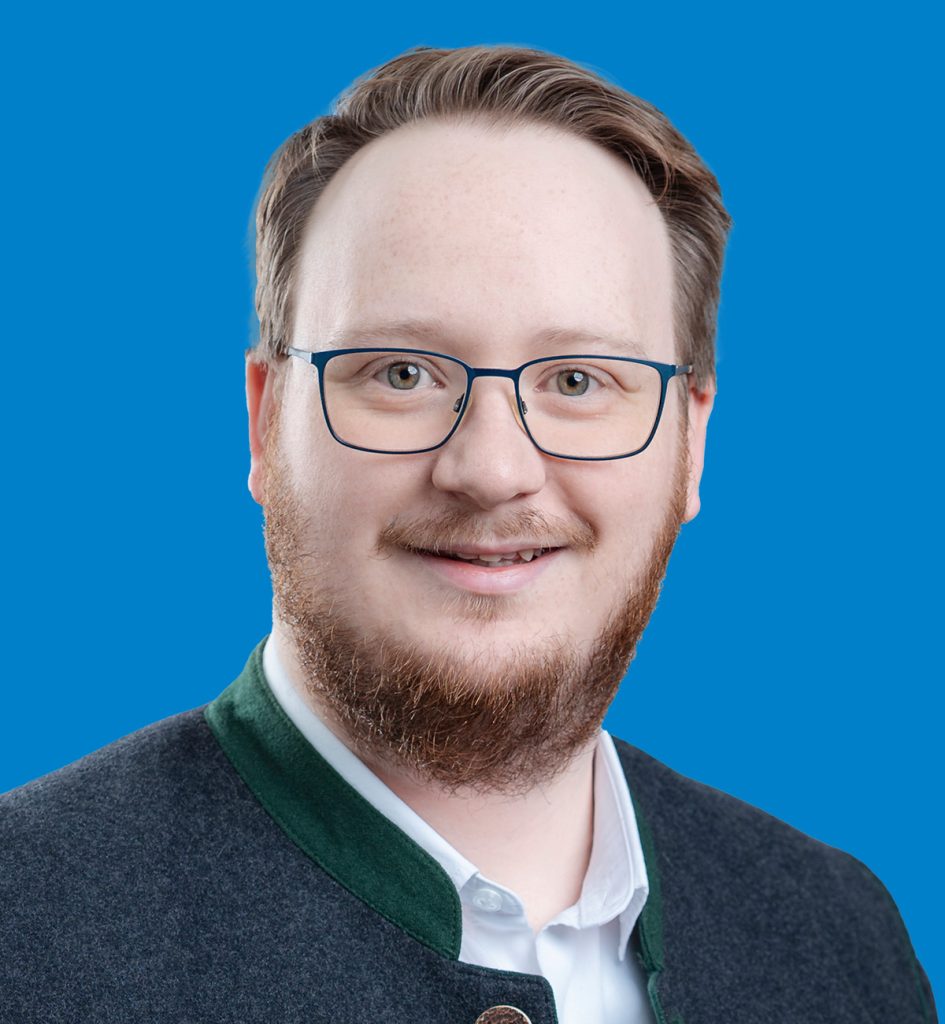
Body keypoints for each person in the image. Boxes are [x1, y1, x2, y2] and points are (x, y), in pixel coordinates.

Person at [0, 44, 935, 1024]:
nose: (490, 468)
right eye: (401, 372)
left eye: (577, 380)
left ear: (691, 442)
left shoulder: (845, 941)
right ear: (265, 423)